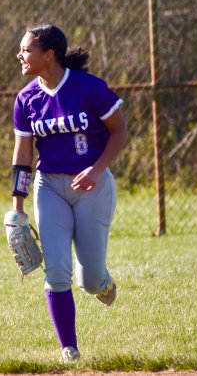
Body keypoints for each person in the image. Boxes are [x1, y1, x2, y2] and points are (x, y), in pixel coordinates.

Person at [10, 24, 127, 363]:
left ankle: (101, 283)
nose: (20, 55)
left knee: (88, 279)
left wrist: (98, 168)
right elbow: (22, 154)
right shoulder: (26, 98)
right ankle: (69, 350)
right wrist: (17, 206)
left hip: (93, 186)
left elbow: (119, 131)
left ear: (49, 55)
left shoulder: (88, 88)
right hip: (50, 187)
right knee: (57, 270)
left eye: (26, 49)